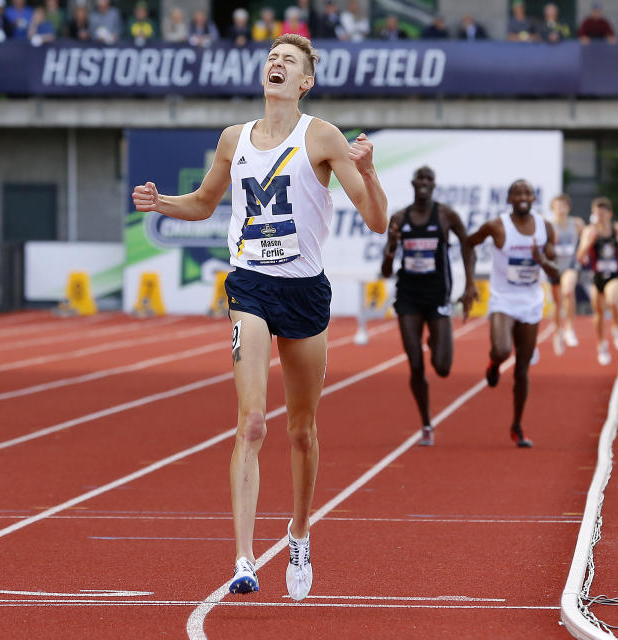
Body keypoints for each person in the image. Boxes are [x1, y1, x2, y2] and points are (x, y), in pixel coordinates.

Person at [131, 34, 387, 601]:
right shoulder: (233, 139)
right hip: (249, 285)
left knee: (301, 431)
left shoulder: (321, 136)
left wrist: (369, 172)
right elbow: (202, 202)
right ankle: (244, 557)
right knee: (251, 422)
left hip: (304, 292)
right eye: (271, 57)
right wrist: (161, 203)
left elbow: (375, 221)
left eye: (288, 61)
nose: (276, 63)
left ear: (305, 82)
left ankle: (299, 532)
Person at [380, 167, 476, 447]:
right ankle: (426, 423)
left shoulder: (446, 215)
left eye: (428, 179)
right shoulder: (399, 218)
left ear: (434, 184)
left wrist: (470, 285)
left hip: (437, 297)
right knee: (415, 365)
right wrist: (392, 247)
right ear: (413, 184)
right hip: (408, 297)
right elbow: (386, 271)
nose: (423, 183)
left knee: (443, 367)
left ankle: (435, 339)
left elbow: (468, 246)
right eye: (419, 179)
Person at [465, 180, 560, 448]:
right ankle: (494, 363)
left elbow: (555, 274)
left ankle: (517, 426)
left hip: (531, 303)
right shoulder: (497, 226)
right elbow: (468, 243)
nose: (522, 196)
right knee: (502, 350)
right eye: (517, 193)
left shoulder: (545, 228)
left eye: (527, 192)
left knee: (522, 369)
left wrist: (542, 261)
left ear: (533, 197)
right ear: (509, 198)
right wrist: (470, 282)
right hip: (503, 300)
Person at [576, 197, 618, 365]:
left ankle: (617, 328)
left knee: (612, 299)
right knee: (599, 314)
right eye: (597, 214)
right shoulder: (589, 232)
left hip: (614, 275)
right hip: (597, 277)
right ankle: (601, 345)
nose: (600, 217)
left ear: (609, 214)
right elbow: (580, 256)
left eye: (603, 214)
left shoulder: (617, 230)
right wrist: (588, 243)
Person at [549, 194, 584, 354]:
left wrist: (583, 252)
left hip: (570, 264)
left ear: (568, 207)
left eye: (563, 205)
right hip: (554, 266)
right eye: (557, 206)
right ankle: (558, 332)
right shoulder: (548, 225)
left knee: (568, 291)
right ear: (553, 208)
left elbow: (588, 236)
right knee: (557, 304)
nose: (561, 209)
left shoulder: (576, 223)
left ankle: (570, 328)